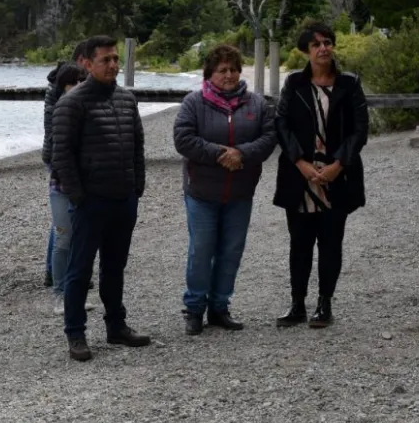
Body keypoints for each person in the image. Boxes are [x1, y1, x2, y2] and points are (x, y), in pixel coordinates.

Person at [52, 35, 149, 361]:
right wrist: (78, 197)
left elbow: (137, 143)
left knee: (115, 267)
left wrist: (138, 185)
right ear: (88, 64)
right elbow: (61, 154)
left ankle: (116, 326)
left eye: (115, 59)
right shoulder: (72, 102)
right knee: (80, 269)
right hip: (91, 200)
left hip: (123, 198)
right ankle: (75, 333)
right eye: (105, 60)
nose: (112, 65)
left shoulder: (126, 99)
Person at [173, 44, 277, 335]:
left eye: (233, 69)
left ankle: (220, 306)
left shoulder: (257, 104)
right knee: (201, 251)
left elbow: (269, 138)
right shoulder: (193, 102)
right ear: (210, 74)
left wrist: (241, 154)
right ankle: (194, 308)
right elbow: (183, 139)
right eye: (222, 70)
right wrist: (221, 153)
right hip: (202, 193)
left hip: (240, 193)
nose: (229, 75)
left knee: (231, 251)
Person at [274, 22, 368, 328]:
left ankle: (324, 304)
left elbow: (359, 130)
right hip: (299, 177)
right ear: (306, 51)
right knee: (299, 243)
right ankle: (297, 304)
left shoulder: (349, 84)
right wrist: (300, 162)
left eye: (327, 42)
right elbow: (281, 125)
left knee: (331, 242)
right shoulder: (294, 84)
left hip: (336, 176)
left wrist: (338, 164)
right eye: (316, 44)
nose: (323, 48)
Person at [42, 41, 88, 288]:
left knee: (71, 229)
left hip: (76, 171)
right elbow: (57, 137)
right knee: (63, 231)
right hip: (59, 170)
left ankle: (68, 279)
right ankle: (55, 276)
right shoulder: (57, 96)